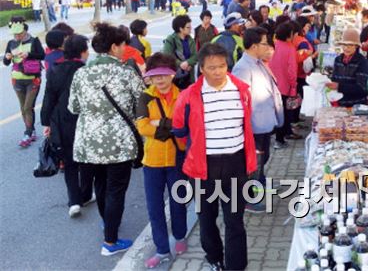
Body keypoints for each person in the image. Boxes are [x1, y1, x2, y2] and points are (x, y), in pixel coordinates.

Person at [172, 43, 257, 271]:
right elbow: (179, 130)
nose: (218, 71)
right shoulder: (189, 96)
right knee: (207, 219)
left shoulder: (241, 90)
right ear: (201, 68)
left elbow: (246, 125)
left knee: (235, 222)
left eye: (222, 66)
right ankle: (215, 259)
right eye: (212, 67)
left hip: (235, 164)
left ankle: (236, 266)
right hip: (203, 167)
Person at [68, 22, 145, 256]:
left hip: (89, 143)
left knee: (100, 185)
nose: (125, 49)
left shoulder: (81, 73)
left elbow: (73, 107)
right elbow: (140, 105)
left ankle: (107, 223)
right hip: (119, 143)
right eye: (123, 45)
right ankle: (110, 242)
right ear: (114, 47)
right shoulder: (125, 73)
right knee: (115, 190)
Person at [136, 53, 188, 268]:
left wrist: (159, 123)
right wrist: (169, 126)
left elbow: (185, 127)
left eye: (164, 75)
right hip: (152, 162)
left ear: (173, 74)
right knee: (154, 208)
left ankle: (180, 235)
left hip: (178, 158)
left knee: (179, 201)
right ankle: (161, 249)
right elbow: (142, 127)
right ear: (149, 77)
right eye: (155, 75)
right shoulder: (144, 98)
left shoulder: (184, 95)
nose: (160, 80)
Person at [41, 34, 95, 217]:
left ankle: (74, 202)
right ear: (82, 52)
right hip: (84, 122)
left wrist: (46, 122)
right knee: (86, 160)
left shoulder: (55, 71)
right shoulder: (86, 72)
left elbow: (48, 99)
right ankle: (86, 194)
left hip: (62, 122)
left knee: (70, 163)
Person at [232, 27, 284, 213]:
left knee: (262, 159)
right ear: (254, 46)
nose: (267, 46)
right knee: (254, 163)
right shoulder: (243, 68)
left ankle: (259, 188)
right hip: (253, 126)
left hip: (263, 123)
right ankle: (249, 199)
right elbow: (240, 101)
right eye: (264, 43)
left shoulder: (258, 62)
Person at [3, 17, 45, 147]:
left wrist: (29, 54)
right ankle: (30, 131)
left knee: (28, 107)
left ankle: (27, 133)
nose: (17, 36)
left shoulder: (34, 41)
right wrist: (7, 57)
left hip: (33, 79)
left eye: (20, 34)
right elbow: (6, 63)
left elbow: (42, 55)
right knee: (23, 108)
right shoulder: (11, 43)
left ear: (25, 31)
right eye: (15, 34)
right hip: (17, 80)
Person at [270, 22, 299, 150]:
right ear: (289, 35)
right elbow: (292, 70)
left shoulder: (273, 46)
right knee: (284, 113)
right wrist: (294, 85)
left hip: (271, 85)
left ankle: (279, 136)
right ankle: (279, 139)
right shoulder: (290, 48)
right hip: (284, 86)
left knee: (275, 112)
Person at [325, 27, 368, 107]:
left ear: (356, 46)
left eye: (350, 45)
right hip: (339, 104)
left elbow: (361, 89)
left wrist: (339, 86)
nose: (346, 48)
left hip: (356, 105)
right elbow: (334, 80)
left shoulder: (362, 62)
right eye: (344, 45)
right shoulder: (338, 60)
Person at [163, 15, 198, 89]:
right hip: (175, 77)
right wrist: (181, 64)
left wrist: (188, 63)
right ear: (181, 29)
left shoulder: (190, 39)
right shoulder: (171, 39)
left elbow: (195, 56)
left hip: (189, 76)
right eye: (188, 27)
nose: (190, 29)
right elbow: (167, 56)